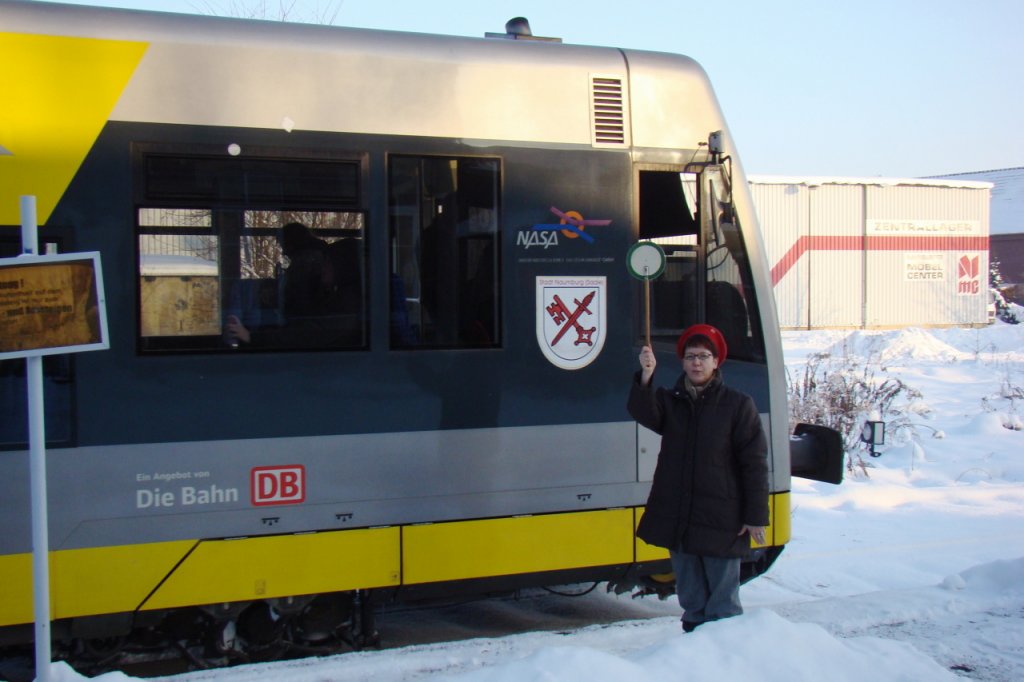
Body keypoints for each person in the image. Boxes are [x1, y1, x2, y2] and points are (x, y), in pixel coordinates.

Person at [628, 323, 769, 632]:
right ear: (682, 362)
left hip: (722, 519)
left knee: (723, 604)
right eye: (690, 356)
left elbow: (754, 464)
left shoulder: (738, 405)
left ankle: (725, 661)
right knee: (691, 599)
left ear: (716, 361)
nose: (696, 363)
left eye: (704, 356)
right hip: (680, 516)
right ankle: (692, 656)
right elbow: (642, 411)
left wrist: (755, 515)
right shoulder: (671, 401)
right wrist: (647, 375)